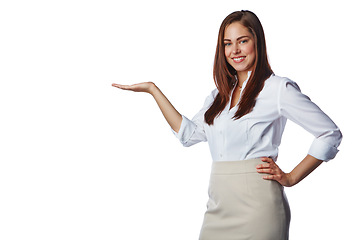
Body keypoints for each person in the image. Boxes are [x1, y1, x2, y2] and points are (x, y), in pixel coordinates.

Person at [112, 10, 342, 240]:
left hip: (259, 208)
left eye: (243, 41)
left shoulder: (278, 89)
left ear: (257, 42)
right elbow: (188, 136)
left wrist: (291, 178)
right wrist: (153, 90)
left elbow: (329, 133)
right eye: (228, 43)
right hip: (218, 205)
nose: (235, 51)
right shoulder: (218, 96)